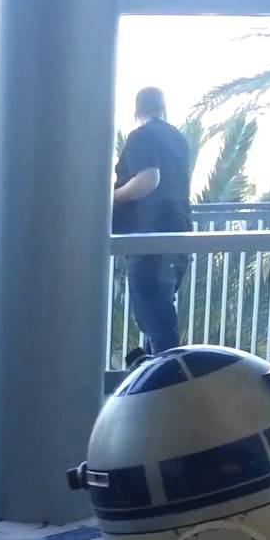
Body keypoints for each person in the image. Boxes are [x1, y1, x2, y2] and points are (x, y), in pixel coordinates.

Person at [113, 87, 194, 358]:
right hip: (177, 236)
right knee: (160, 317)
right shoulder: (178, 139)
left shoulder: (141, 137)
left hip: (148, 239)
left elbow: (149, 179)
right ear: (164, 109)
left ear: (136, 112)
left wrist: (112, 197)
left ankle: (170, 387)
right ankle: (159, 383)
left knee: (155, 320)